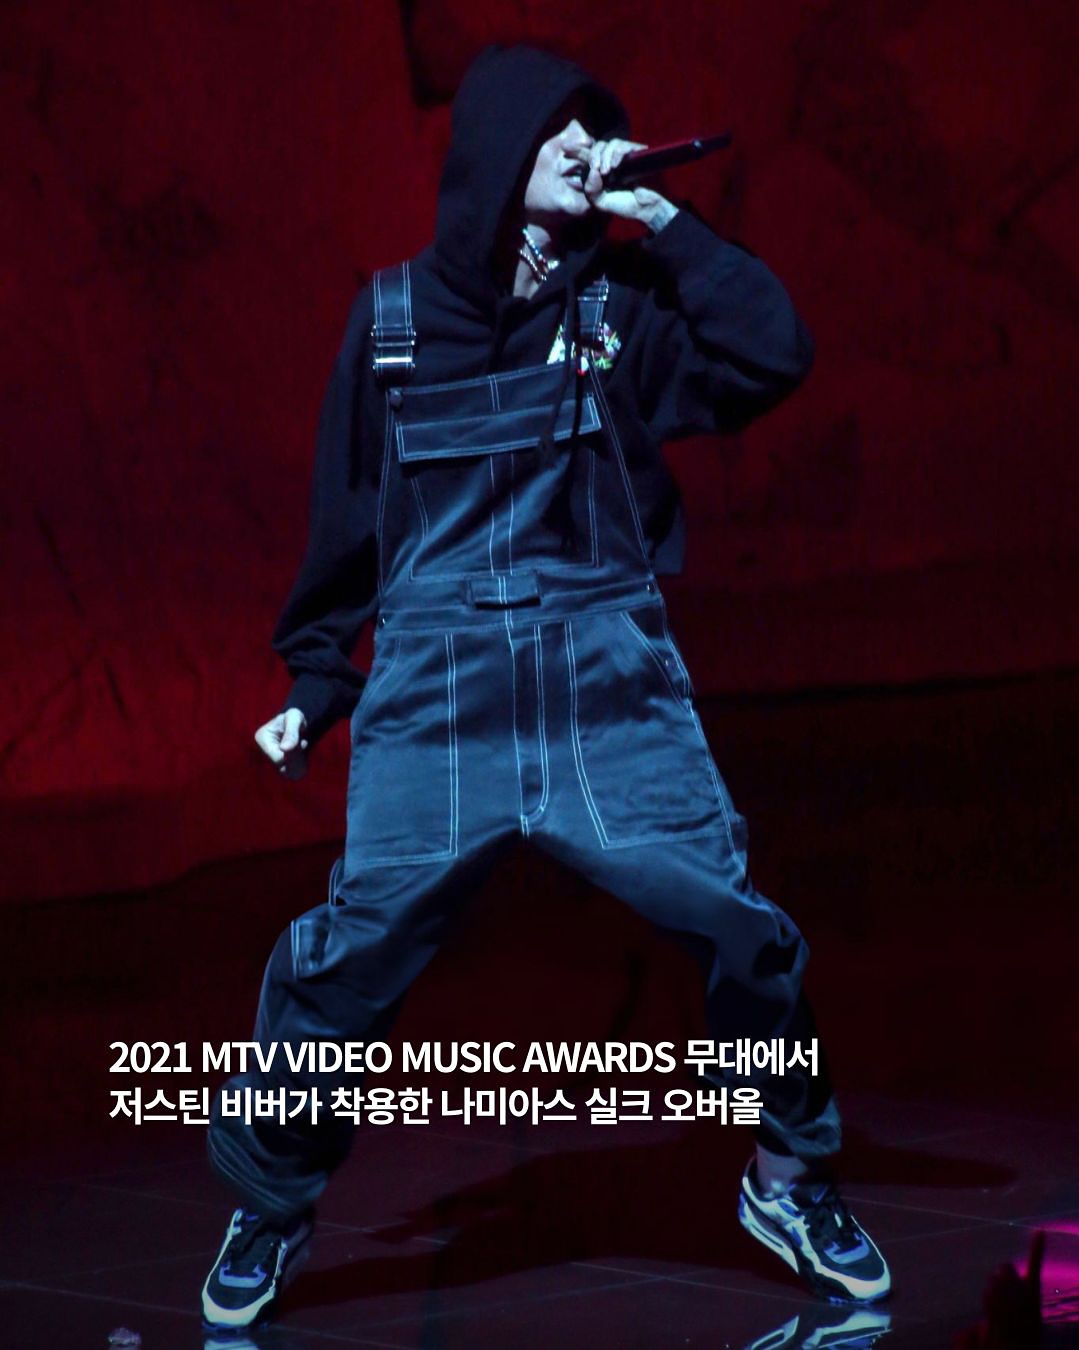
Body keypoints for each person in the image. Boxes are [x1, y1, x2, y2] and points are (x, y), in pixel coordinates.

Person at [200, 44, 890, 1332]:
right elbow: (346, 525)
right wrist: (315, 682)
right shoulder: (391, 323)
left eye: (594, 129)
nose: (583, 148)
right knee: (349, 957)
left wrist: (666, 223)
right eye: (557, 132)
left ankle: (791, 1177)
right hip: (438, 689)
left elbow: (774, 352)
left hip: (602, 674)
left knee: (737, 921)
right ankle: (273, 1199)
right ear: (495, 155)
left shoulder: (620, 306)